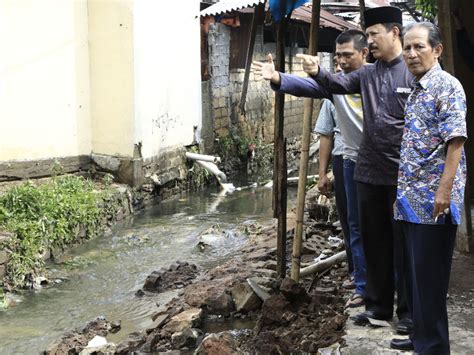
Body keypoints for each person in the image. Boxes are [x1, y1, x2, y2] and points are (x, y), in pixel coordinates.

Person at [295, 6, 413, 334]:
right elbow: (332, 82)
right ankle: (377, 307)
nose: (371, 40)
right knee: (373, 241)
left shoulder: (414, 71)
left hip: (402, 175)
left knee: (403, 245)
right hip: (367, 173)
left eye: (374, 34)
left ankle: (408, 313)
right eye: (368, 35)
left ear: (394, 33)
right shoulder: (368, 74)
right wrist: (312, 72)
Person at [252, 29, 369, 308]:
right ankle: (364, 285)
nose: (341, 61)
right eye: (337, 56)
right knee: (354, 224)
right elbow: (308, 88)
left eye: (347, 55)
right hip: (350, 161)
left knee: (380, 225)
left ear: (364, 53)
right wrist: (277, 77)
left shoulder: (377, 78)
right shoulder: (334, 85)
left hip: (382, 162)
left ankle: (387, 282)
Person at [391, 22, 467, 354]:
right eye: (407, 47)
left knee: (431, 284)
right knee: (415, 280)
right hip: (410, 200)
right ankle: (420, 337)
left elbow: (456, 142)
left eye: (419, 46)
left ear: (437, 50)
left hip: (432, 203)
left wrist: (444, 192)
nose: (411, 53)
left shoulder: (446, 86)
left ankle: (433, 347)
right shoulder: (418, 87)